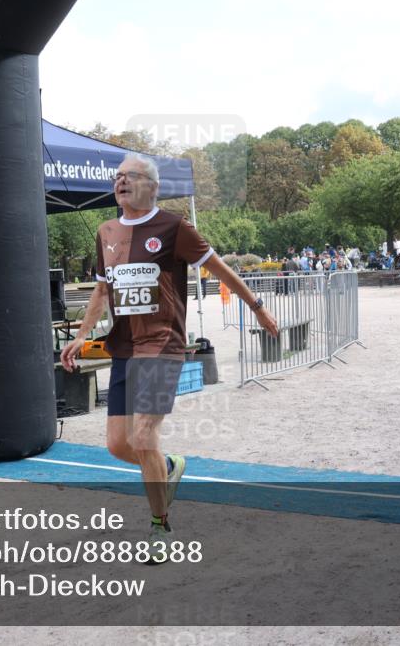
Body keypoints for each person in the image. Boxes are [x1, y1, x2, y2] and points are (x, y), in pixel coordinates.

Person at [59, 153, 278, 564]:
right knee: (118, 445)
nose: (121, 182)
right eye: (117, 177)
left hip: (163, 345)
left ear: (153, 186)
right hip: (125, 347)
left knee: (143, 438)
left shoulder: (175, 228)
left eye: (131, 176)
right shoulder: (107, 231)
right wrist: (83, 334)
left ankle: (160, 527)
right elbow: (102, 291)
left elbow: (221, 271)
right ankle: (171, 464)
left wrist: (257, 306)